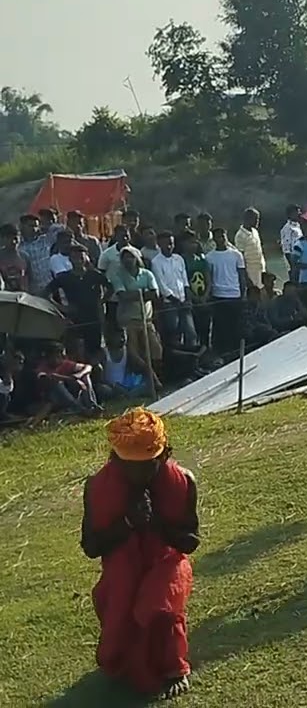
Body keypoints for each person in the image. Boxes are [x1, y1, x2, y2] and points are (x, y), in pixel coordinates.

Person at [82, 408, 199, 700]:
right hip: (122, 562)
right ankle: (126, 664)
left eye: (147, 466)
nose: (137, 474)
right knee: (119, 611)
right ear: (113, 459)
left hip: (167, 559)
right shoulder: (96, 486)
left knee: (158, 607)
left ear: (164, 455)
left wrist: (156, 522)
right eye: (128, 466)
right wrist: (128, 524)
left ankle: (174, 667)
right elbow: (91, 547)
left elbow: (190, 542)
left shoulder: (184, 480)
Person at [45, 244, 111, 360]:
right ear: (70, 259)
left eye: (81, 257)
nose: (78, 261)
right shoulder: (64, 277)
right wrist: (61, 308)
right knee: (79, 353)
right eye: (75, 257)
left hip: (94, 319)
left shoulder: (94, 275)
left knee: (96, 352)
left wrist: (102, 301)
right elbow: (46, 293)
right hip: (75, 320)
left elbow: (110, 288)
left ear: (86, 258)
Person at [111, 247, 163, 389]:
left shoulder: (147, 274)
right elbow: (122, 295)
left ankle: (154, 378)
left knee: (156, 350)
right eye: (125, 258)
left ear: (137, 258)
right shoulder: (118, 275)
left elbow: (155, 294)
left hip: (146, 319)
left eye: (131, 257)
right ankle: (152, 380)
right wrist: (142, 293)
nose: (128, 260)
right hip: (128, 320)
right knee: (134, 354)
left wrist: (135, 294)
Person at [150, 231, 199, 351]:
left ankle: (192, 362)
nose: (169, 246)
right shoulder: (156, 262)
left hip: (183, 302)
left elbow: (185, 281)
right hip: (170, 304)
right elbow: (162, 287)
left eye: (171, 243)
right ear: (159, 244)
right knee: (173, 334)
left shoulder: (179, 259)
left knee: (191, 334)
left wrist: (187, 299)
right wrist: (177, 302)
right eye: (165, 244)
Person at [206, 227, 248, 355]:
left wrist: (243, 294)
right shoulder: (209, 257)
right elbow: (209, 278)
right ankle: (220, 352)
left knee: (235, 326)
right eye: (217, 237)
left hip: (234, 295)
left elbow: (242, 276)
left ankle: (236, 352)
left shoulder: (236, 255)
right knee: (220, 327)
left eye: (222, 236)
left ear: (226, 236)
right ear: (214, 239)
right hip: (218, 295)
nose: (220, 239)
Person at [234, 208, 266, 290]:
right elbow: (240, 258)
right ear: (247, 219)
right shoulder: (240, 235)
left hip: (260, 271)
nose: (257, 221)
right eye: (256, 219)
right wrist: (246, 278)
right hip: (250, 273)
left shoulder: (255, 232)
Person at [0, 223, 31, 292]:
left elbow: (30, 278)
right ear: (2, 238)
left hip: (22, 296)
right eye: (9, 239)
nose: (14, 242)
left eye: (16, 238)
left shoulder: (24, 256)